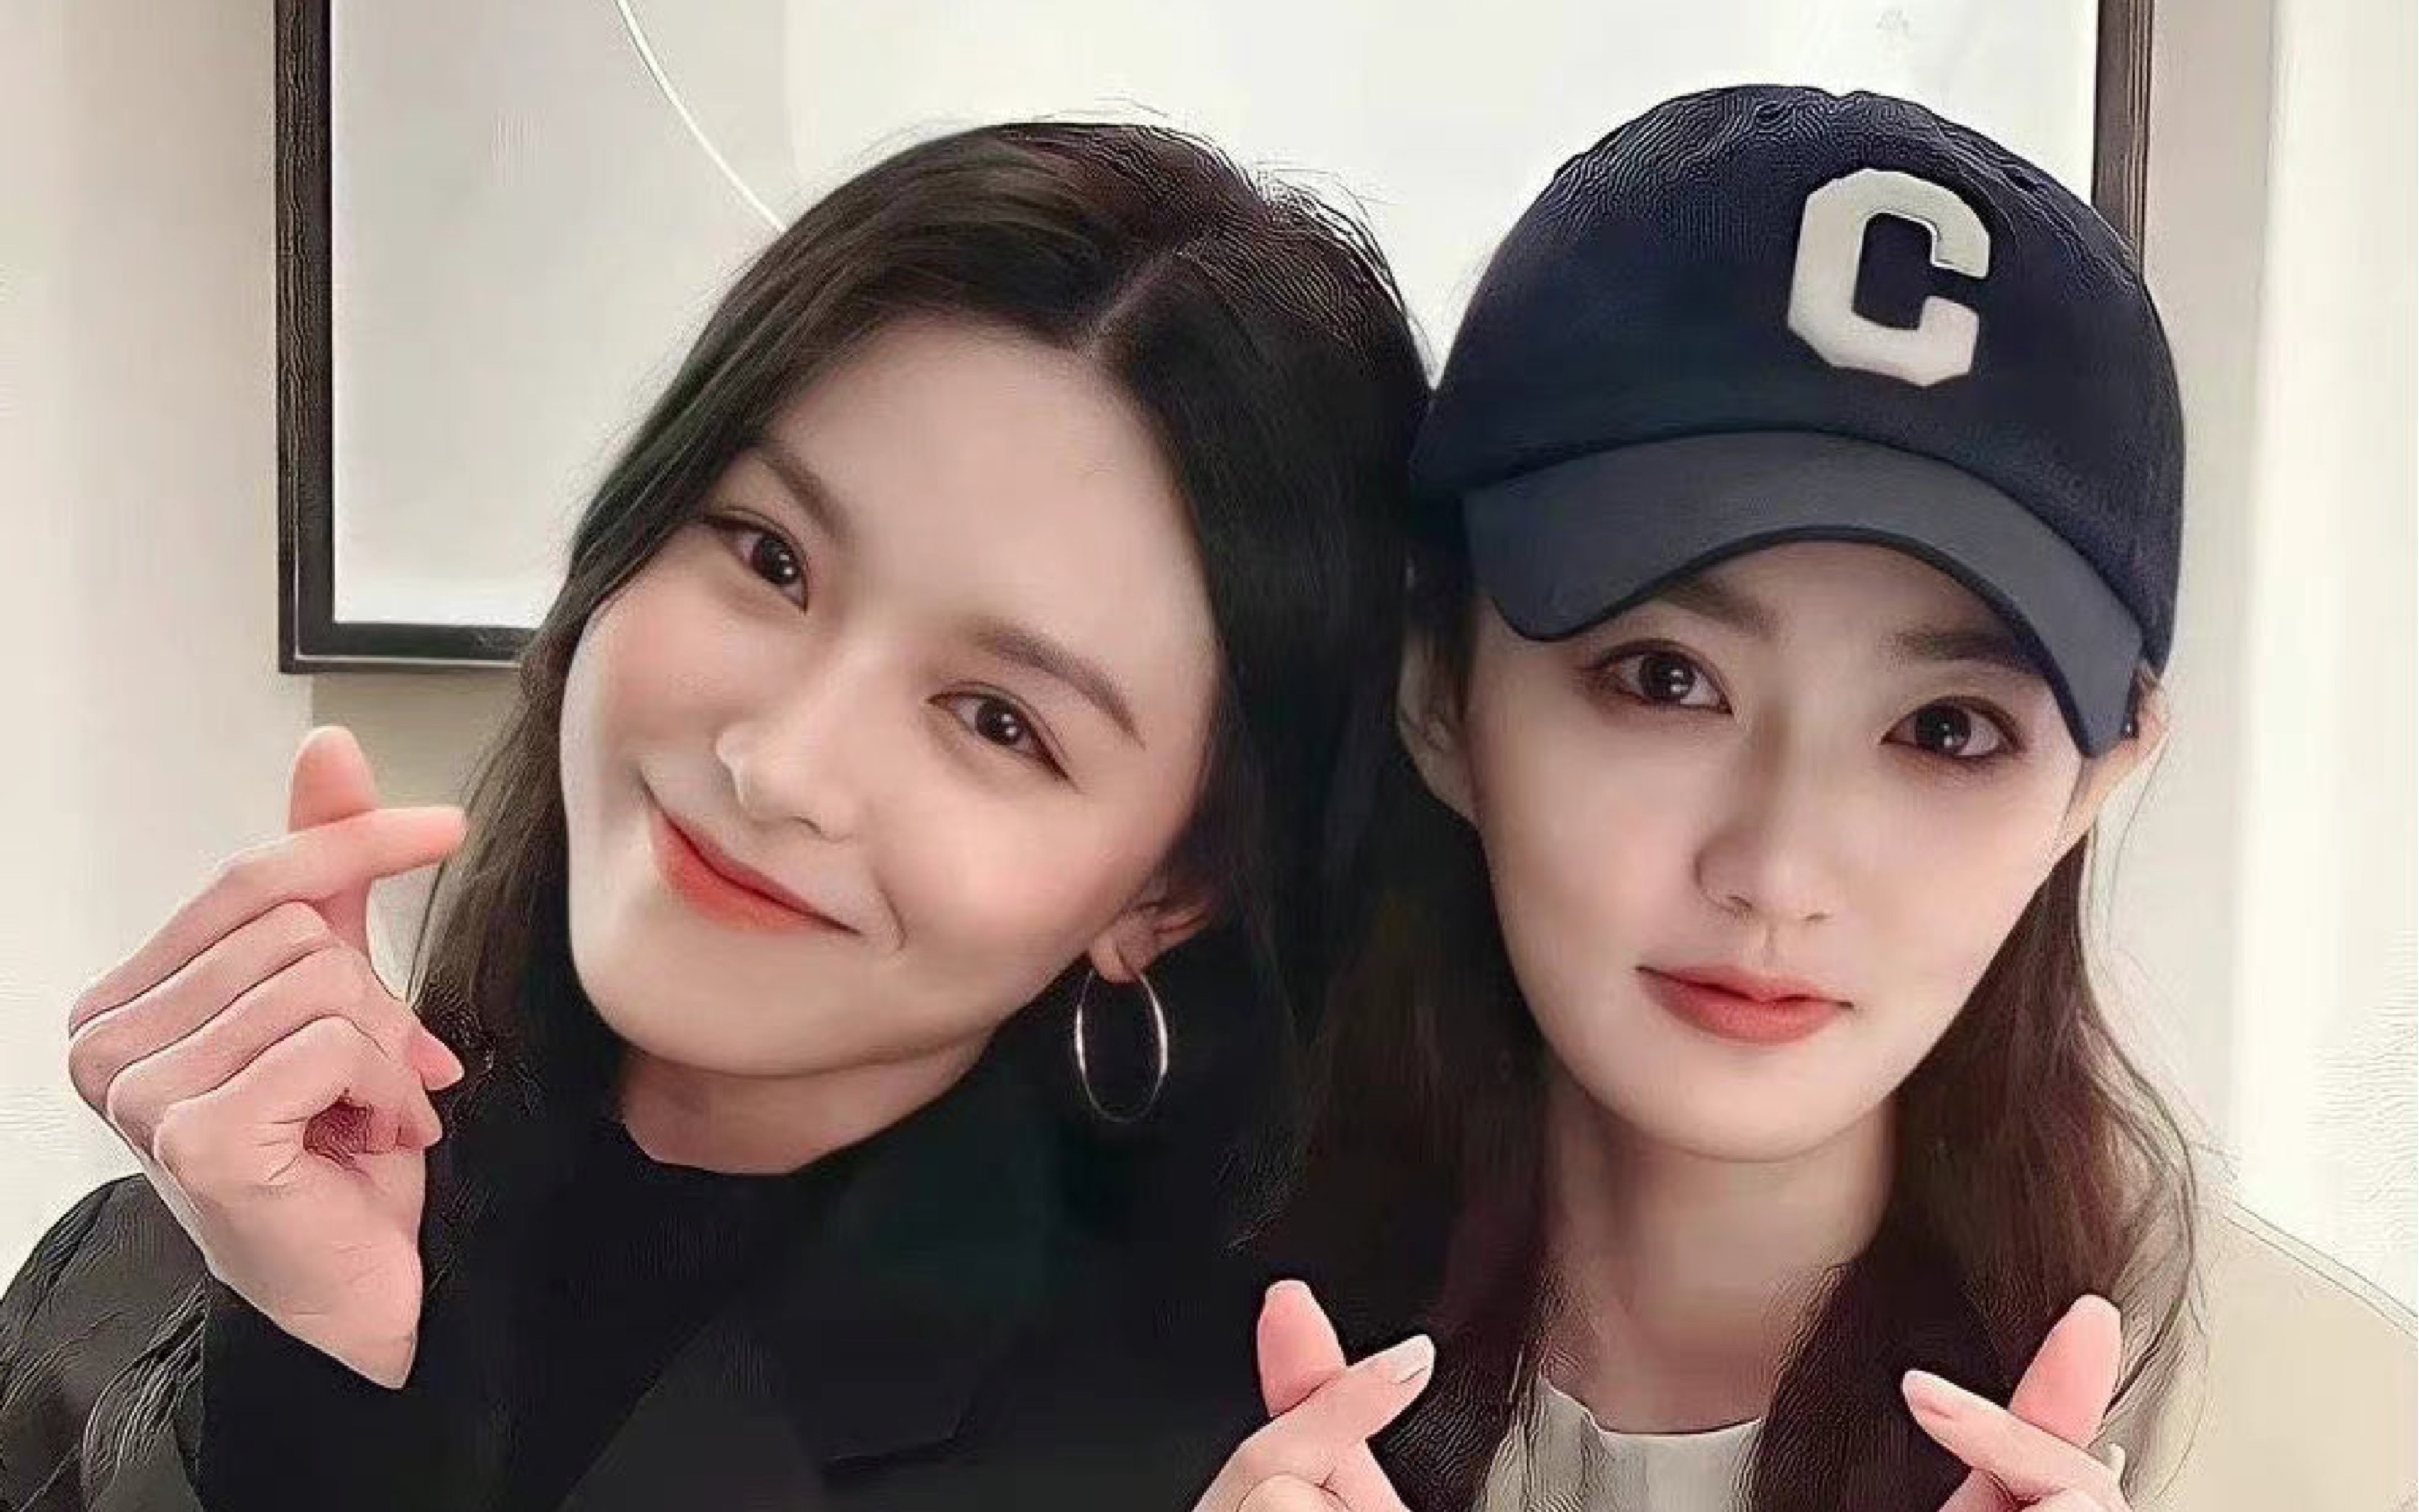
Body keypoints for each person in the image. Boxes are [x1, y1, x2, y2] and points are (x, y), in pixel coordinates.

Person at [0, 120, 1430, 1512]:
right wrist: (303, 1384)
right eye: (768, 557)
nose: (780, 765)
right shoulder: (148, 1266)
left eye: (997, 720)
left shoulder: (1185, 1465)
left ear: (1167, 893)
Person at [1256, 85, 2229, 1512]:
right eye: (1664, 679)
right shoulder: (1129, 1337)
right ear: (1439, 692)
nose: (1776, 872)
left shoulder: (2325, 1427)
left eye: (1943, 729)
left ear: (2093, 780)